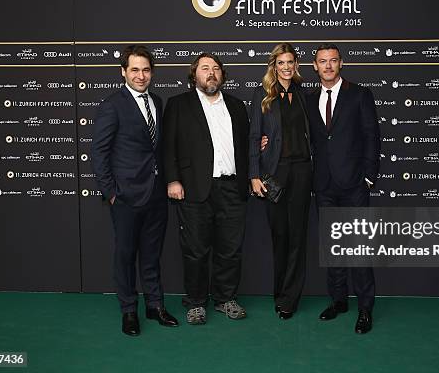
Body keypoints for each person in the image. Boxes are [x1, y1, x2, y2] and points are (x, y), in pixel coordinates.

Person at [91, 45, 178, 336]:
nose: (141, 76)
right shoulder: (112, 105)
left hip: (155, 194)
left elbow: (158, 149)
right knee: (126, 255)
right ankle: (129, 311)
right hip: (126, 197)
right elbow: (99, 153)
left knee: (152, 255)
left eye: (146, 70)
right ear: (123, 72)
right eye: (135, 70)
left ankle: (155, 306)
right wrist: (111, 192)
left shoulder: (157, 101)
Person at [162, 53, 250, 325]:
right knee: (196, 250)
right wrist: (173, 180)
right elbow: (168, 147)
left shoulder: (236, 106)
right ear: (194, 75)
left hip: (232, 187)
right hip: (194, 189)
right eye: (204, 68)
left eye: (215, 69)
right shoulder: (178, 104)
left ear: (222, 75)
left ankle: (225, 299)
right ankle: (196, 302)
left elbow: (246, 144)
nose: (211, 73)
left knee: (230, 249)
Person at [308, 43, 381, 334]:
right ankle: (338, 300)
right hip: (323, 185)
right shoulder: (309, 97)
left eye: (333, 61)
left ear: (341, 64)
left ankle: (365, 308)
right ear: (314, 66)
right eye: (322, 61)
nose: (327, 66)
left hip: (354, 184)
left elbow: (372, 137)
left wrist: (368, 177)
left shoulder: (360, 94)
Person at [249, 43, 311, 320]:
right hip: (274, 174)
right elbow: (254, 138)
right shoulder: (262, 96)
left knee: (298, 236)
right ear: (274, 66)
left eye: (290, 62)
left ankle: (290, 298)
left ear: (296, 65)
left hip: (302, 172)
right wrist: (253, 175)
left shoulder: (303, 95)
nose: (286, 67)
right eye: (281, 63)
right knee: (280, 236)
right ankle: (279, 293)